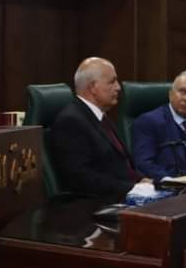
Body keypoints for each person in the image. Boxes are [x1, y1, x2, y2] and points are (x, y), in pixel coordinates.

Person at [50, 57, 151, 197]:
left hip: (125, 195)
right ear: (93, 87)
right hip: (99, 203)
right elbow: (81, 178)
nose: (118, 87)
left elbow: (119, 165)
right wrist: (132, 188)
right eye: (112, 82)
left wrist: (142, 180)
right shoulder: (71, 121)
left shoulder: (101, 116)